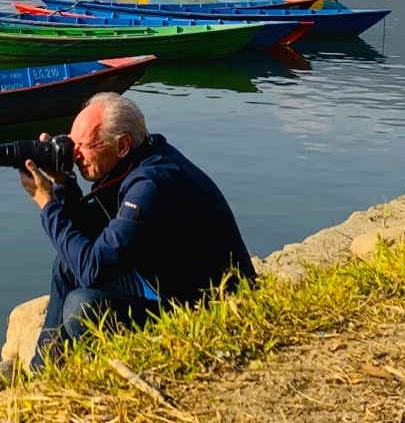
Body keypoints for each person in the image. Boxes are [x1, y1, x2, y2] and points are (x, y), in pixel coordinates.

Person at [19, 92, 255, 366]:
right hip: (165, 281)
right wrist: (63, 183)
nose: (75, 155)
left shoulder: (150, 186)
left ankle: (92, 372)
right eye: (72, 145)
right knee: (66, 264)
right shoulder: (141, 160)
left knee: (82, 307)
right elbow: (94, 241)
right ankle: (42, 373)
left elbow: (92, 270)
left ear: (122, 145)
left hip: (205, 309)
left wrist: (47, 204)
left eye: (83, 146)